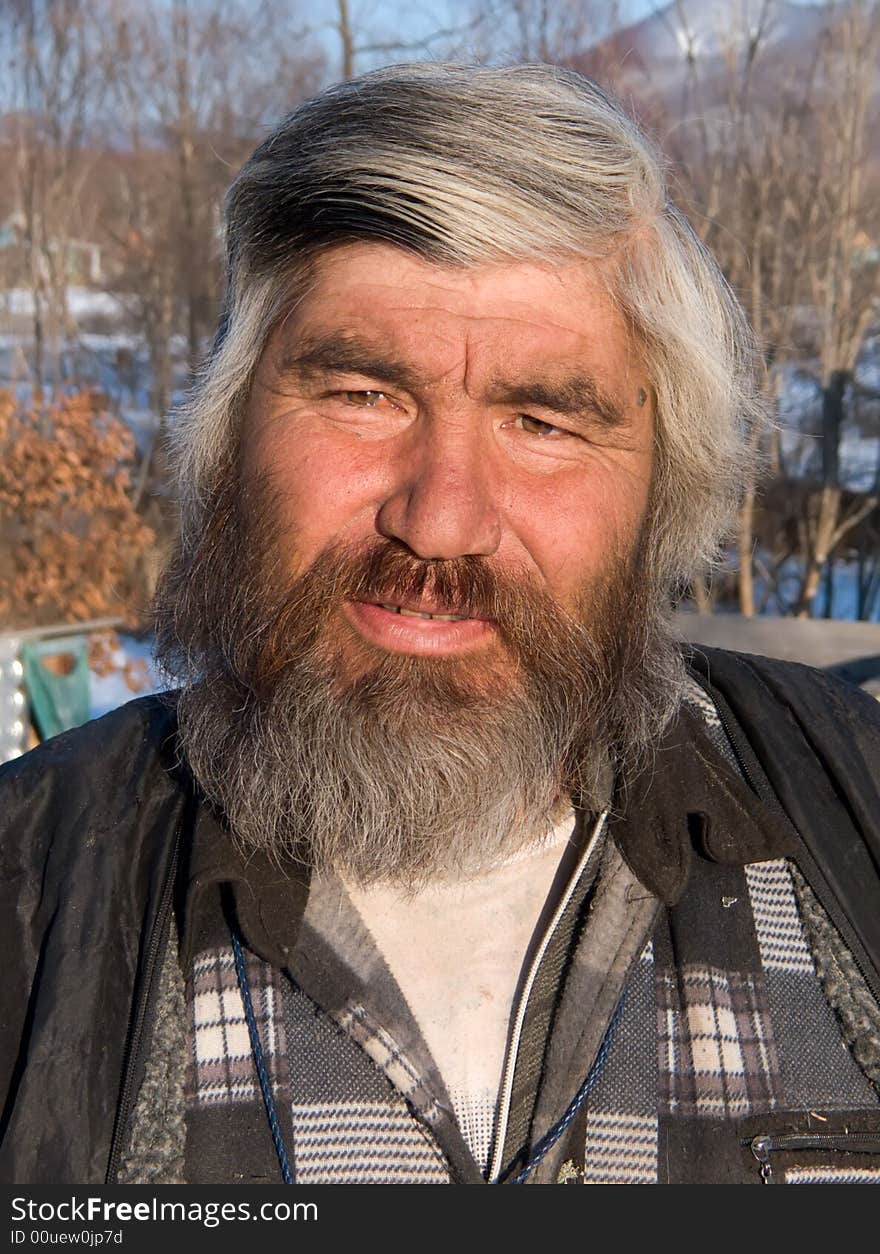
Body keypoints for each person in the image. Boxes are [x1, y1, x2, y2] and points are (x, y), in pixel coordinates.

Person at [2, 63, 879, 1188]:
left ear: (664, 487)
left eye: (543, 418)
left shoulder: (847, 811)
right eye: (365, 394)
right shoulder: (33, 894)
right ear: (228, 437)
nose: (440, 523)